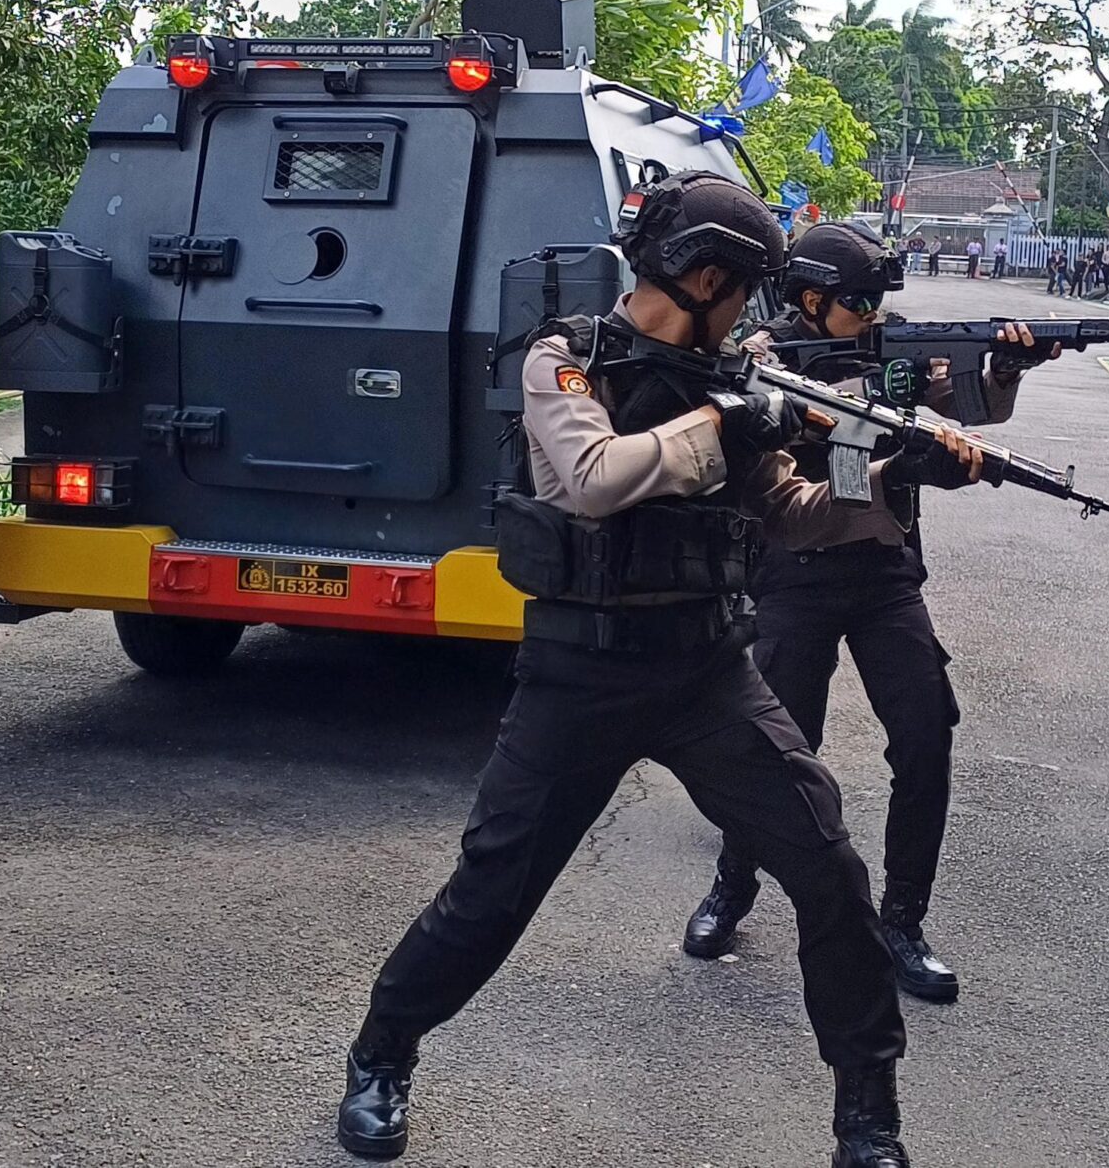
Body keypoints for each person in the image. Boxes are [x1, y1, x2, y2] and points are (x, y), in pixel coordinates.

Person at [335, 171, 970, 1167]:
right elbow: (591, 481)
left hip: (706, 669)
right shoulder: (568, 358)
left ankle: (867, 1118)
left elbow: (800, 513)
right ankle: (381, 1051)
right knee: (491, 893)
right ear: (706, 274)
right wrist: (724, 424)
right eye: (747, 288)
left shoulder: (742, 381)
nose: (754, 312)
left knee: (830, 871)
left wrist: (894, 471)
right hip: (577, 676)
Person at [680, 222, 1059, 1006]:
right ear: (811, 301)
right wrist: (883, 434)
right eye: (860, 303)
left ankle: (904, 923)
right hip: (796, 572)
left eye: (881, 301)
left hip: (885, 573)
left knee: (925, 740)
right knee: (778, 754)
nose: (874, 316)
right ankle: (733, 885)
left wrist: (1005, 369)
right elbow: (813, 468)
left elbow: (972, 406)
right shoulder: (760, 360)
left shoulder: (889, 354)